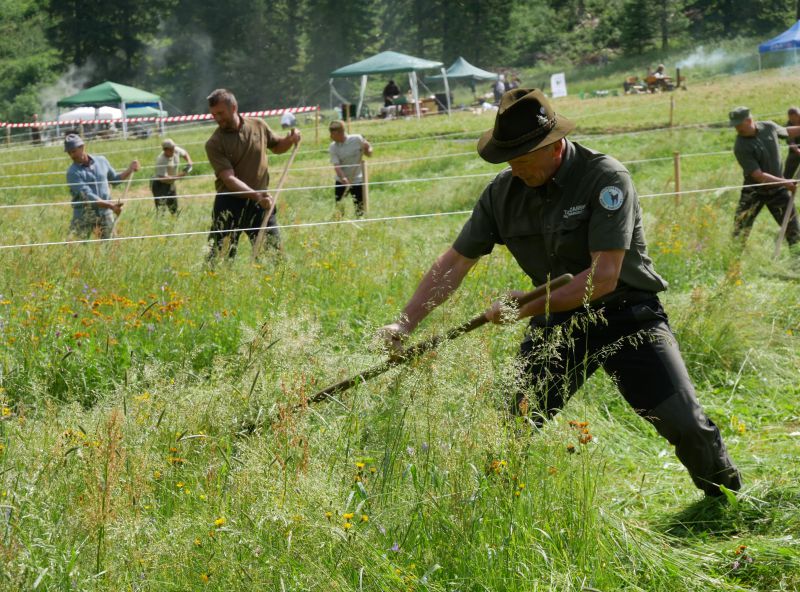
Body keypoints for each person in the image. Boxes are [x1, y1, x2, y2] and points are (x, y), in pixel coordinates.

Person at [378, 88, 742, 497]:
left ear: (553, 147)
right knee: (508, 425)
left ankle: (729, 501)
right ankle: (483, 512)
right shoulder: (502, 193)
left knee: (684, 422)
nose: (514, 169)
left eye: (522, 159)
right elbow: (455, 262)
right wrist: (405, 322)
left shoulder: (605, 179)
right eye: (508, 160)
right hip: (557, 321)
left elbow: (603, 277)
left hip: (625, 314)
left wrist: (526, 305)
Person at [204, 88, 301, 261]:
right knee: (219, 259)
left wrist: (290, 140)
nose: (217, 118)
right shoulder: (214, 143)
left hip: (260, 203)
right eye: (213, 114)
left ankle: (279, 285)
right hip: (229, 202)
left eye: (220, 113)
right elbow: (229, 179)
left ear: (234, 107)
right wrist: (256, 195)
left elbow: (277, 146)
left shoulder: (258, 125)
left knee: (275, 257)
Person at [729, 106, 800, 250]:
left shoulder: (768, 127)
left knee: (793, 230)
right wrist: (785, 182)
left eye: (738, 124)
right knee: (740, 230)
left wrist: (782, 183)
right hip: (753, 191)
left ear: (749, 120)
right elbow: (758, 176)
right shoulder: (740, 146)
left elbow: (787, 132)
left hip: (777, 190)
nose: (736, 128)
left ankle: (798, 264)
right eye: (734, 125)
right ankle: (732, 266)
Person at [64, 133, 140, 240]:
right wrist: (111, 206)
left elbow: (115, 180)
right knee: (77, 247)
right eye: (69, 153)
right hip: (83, 215)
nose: (72, 155)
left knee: (109, 246)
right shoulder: (72, 173)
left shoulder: (102, 161)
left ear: (82, 147)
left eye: (74, 151)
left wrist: (130, 169)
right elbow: (88, 195)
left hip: (105, 214)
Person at [328, 120, 372, 217]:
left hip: (357, 180)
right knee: (339, 206)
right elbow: (337, 165)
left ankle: (361, 221)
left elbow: (369, 154)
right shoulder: (333, 147)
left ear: (341, 133)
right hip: (341, 180)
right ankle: (339, 224)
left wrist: (367, 148)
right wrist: (343, 178)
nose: (331, 137)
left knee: (360, 206)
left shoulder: (357, 139)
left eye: (333, 134)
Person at [151, 138, 193, 214]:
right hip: (160, 185)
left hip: (171, 183)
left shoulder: (175, 150)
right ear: (165, 150)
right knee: (161, 209)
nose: (174, 150)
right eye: (171, 149)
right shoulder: (161, 160)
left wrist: (189, 161)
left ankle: (174, 222)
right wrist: (179, 176)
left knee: (174, 208)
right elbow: (163, 178)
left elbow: (184, 153)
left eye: (173, 148)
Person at [784, 107, 800, 180]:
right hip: (794, 152)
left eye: (793, 118)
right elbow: (791, 141)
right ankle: (784, 186)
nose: (791, 120)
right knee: (787, 174)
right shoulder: (789, 124)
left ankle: (795, 182)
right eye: (790, 118)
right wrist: (797, 151)